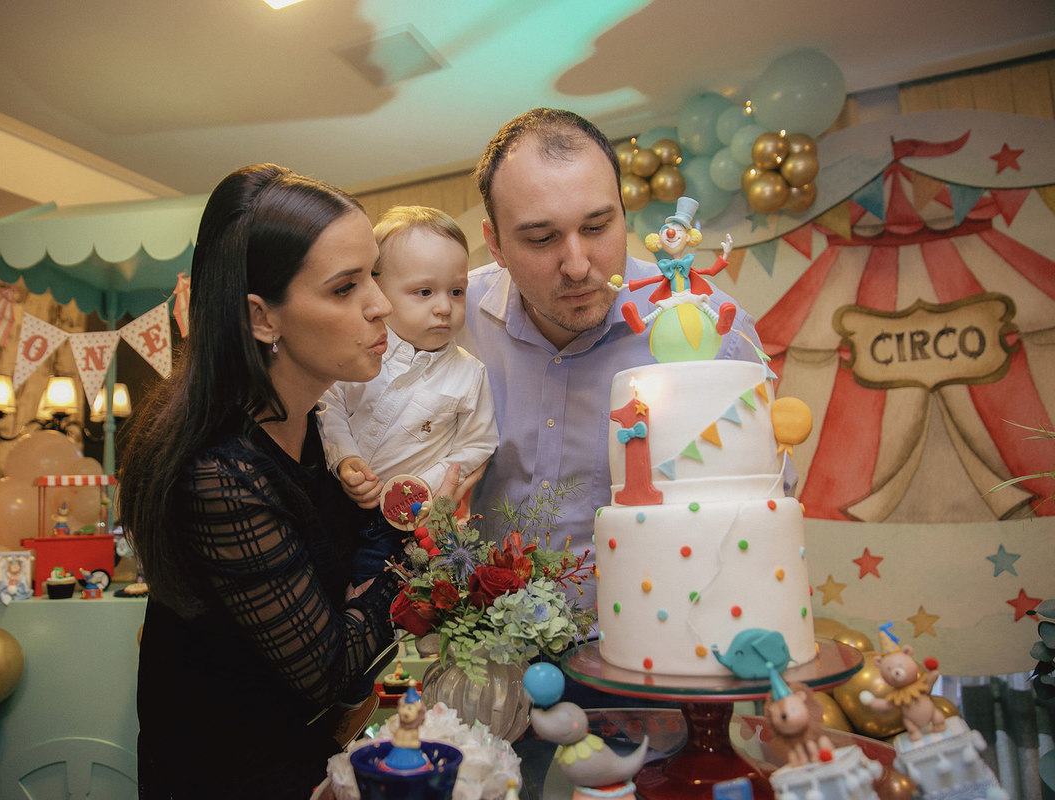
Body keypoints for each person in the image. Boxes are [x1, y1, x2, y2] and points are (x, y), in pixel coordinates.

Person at [117, 165, 469, 798]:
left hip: (311, 762)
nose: (380, 305)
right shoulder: (219, 471)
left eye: (373, 276)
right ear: (261, 317)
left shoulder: (319, 434)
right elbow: (330, 669)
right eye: (344, 288)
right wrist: (417, 545)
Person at [462, 108, 767, 614]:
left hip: (661, 645)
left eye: (598, 226)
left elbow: (757, 511)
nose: (578, 265)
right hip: (493, 650)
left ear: (625, 215)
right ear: (494, 243)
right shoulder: (454, 321)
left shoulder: (713, 328)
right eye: (541, 239)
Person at [319, 205, 497, 582]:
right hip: (330, 500)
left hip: (404, 526)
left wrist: (422, 488)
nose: (444, 307)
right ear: (379, 292)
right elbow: (328, 405)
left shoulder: (469, 373)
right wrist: (344, 458)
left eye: (456, 291)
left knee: (381, 597)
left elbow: (476, 445)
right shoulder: (360, 355)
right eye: (424, 291)